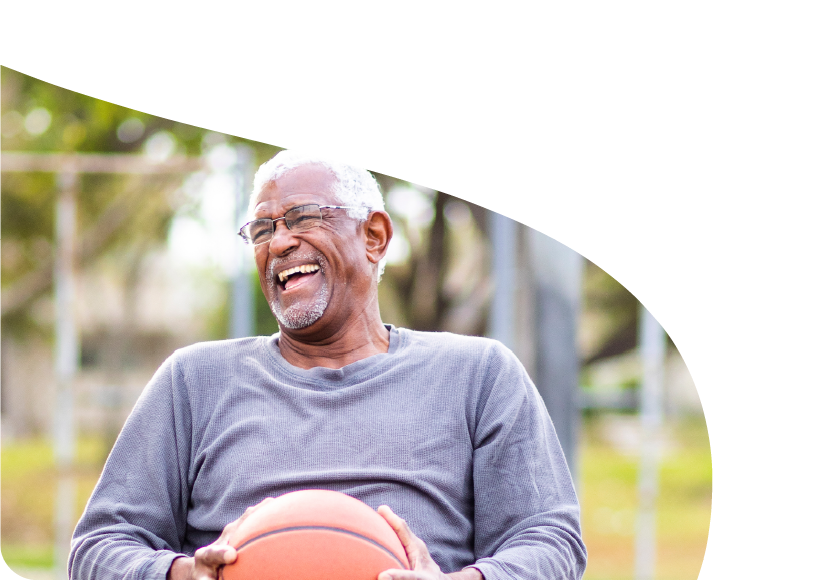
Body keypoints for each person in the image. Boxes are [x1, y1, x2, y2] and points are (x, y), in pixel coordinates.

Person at [69, 150, 587, 580]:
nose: (279, 242)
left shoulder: (478, 375)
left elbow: (550, 542)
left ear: (374, 236)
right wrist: (185, 574)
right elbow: (98, 548)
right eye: (262, 229)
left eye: (303, 218)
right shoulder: (193, 381)